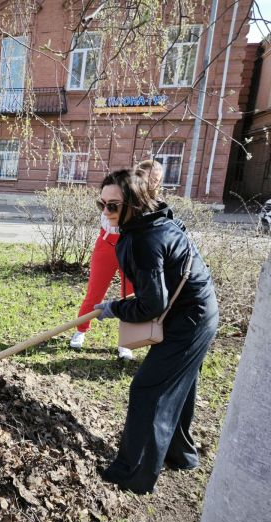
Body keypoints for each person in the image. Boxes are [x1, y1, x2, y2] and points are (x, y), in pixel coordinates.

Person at [93, 169, 218, 495]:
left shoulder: (142, 239)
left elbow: (153, 304)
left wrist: (114, 308)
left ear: (133, 203)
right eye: (101, 204)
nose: (106, 212)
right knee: (180, 384)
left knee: (149, 389)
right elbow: (160, 284)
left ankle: (133, 473)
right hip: (200, 310)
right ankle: (181, 455)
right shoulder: (155, 220)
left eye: (113, 206)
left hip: (189, 319)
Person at [69, 186, 136, 361]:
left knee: (128, 296)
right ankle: (80, 330)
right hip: (106, 245)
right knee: (95, 292)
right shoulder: (111, 200)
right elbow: (109, 222)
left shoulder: (138, 200)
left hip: (129, 247)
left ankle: (126, 343)